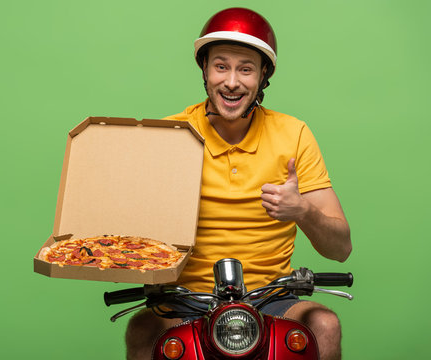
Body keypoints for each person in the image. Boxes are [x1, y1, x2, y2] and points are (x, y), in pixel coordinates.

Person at [125, 8, 351, 360]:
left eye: (245, 68)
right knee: (141, 330)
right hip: (184, 299)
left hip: (272, 299)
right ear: (204, 70)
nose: (232, 81)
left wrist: (302, 211)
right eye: (221, 66)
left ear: (264, 75)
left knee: (325, 324)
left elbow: (341, 249)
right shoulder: (169, 135)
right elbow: (126, 228)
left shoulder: (295, 134)